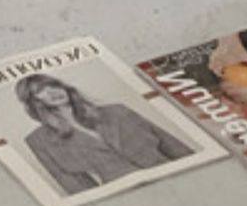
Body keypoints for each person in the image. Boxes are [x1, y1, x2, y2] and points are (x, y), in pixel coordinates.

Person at [14, 74, 195, 197]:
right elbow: (76, 188)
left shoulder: (117, 111)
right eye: (41, 90)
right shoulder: (39, 141)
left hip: (178, 178)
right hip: (128, 197)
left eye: (53, 85)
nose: (53, 92)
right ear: (34, 101)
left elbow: (172, 145)